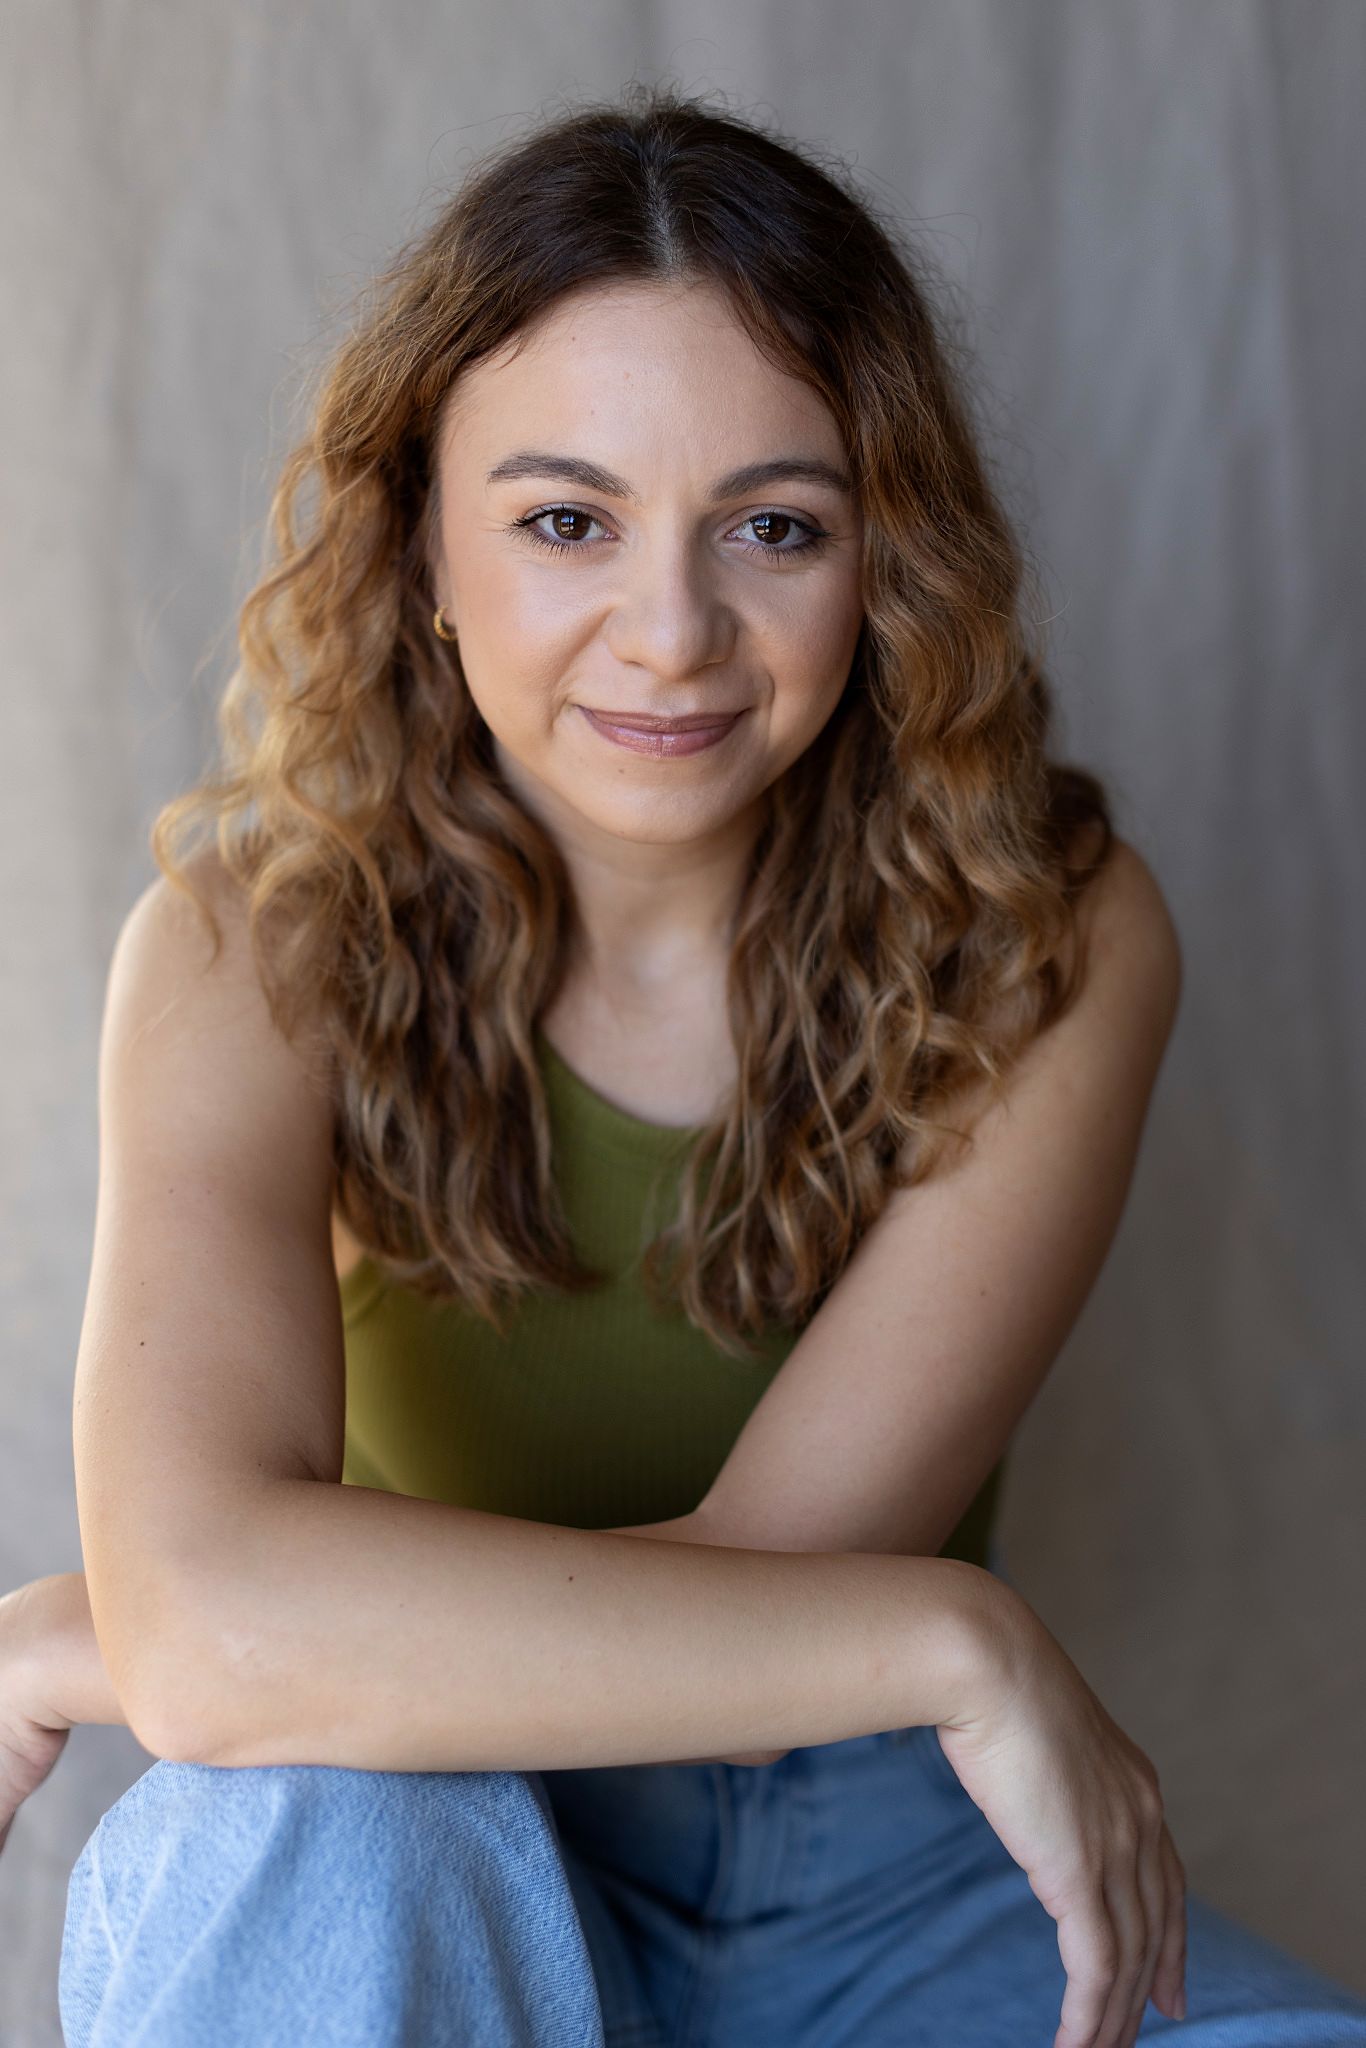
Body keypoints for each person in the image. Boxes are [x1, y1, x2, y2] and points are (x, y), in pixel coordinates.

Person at [3, 80, 1363, 2048]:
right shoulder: (248, 950)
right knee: (293, 1812)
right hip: (436, 1816)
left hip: (891, 1864)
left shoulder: (1044, 928)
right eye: (565, 520)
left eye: (772, 527)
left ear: (882, 560)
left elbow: (765, 1590)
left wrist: (139, 1625)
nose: (671, 633)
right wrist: (954, 1631)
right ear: (422, 549)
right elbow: (226, 1652)